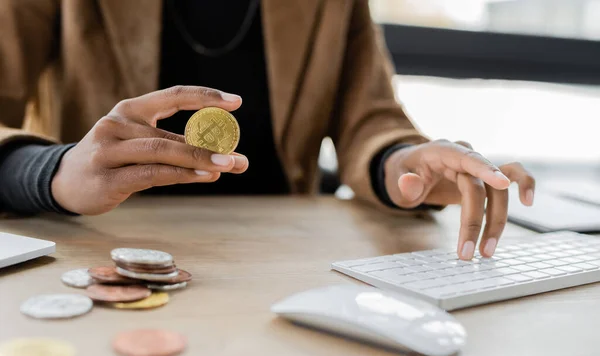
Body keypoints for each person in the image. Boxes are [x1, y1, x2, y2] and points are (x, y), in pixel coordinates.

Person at [0, 0, 534, 260]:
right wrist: (51, 171)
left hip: (283, 255)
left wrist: (404, 163)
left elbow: (369, 118)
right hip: (99, 247)